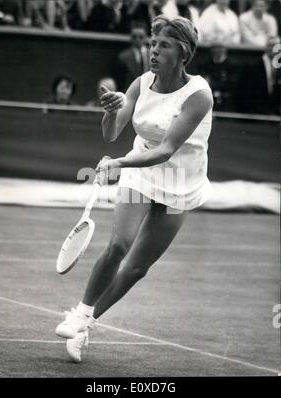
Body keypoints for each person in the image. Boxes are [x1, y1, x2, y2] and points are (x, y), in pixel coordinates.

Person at [55, 15, 213, 363]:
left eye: (164, 46)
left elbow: (167, 150)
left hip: (179, 182)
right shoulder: (141, 83)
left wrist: (118, 164)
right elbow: (111, 135)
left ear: (183, 54)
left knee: (137, 268)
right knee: (118, 245)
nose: (153, 51)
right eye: (153, 44)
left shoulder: (199, 95)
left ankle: (86, 324)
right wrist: (110, 112)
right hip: (140, 171)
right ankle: (80, 312)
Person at [235, 36, 281, 115]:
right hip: (257, 113)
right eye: (270, 45)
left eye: (276, 46)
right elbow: (244, 93)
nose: (273, 48)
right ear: (266, 47)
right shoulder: (252, 67)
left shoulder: (279, 67)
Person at [201, 44, 236, 111]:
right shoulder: (205, 66)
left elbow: (233, 85)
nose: (217, 51)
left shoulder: (232, 67)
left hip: (227, 103)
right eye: (215, 48)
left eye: (220, 48)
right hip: (207, 101)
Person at [116, 23, 150, 92]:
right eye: (134, 37)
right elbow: (120, 81)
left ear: (146, 38)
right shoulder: (123, 57)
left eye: (141, 37)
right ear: (131, 38)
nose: (137, 39)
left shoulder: (152, 55)